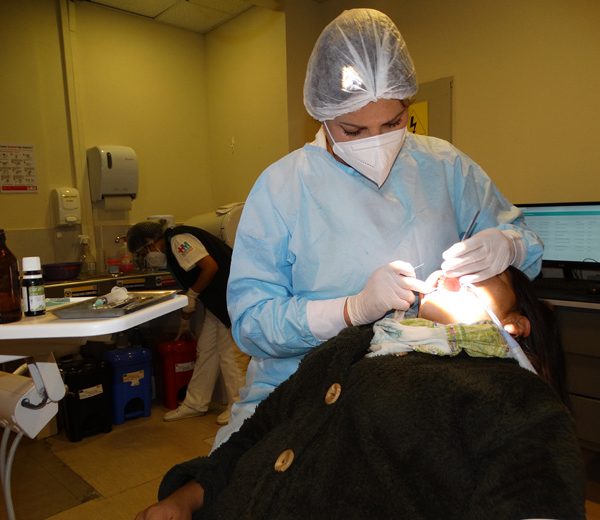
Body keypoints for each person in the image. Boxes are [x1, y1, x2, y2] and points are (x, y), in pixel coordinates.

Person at [217, 8, 544, 447]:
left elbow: (526, 249)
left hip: (421, 387)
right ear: (322, 116)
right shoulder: (282, 187)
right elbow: (253, 324)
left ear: (407, 105)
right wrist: (350, 310)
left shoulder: (445, 166)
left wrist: (508, 245)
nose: (375, 142)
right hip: (299, 391)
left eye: (392, 124)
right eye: (353, 130)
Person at [134, 266, 585, 519]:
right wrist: (184, 498)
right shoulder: (357, 343)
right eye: (450, 267)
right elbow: (258, 433)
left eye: (479, 273)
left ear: (514, 324)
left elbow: (537, 501)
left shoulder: (515, 396)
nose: (451, 273)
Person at [127, 221, 244, 425]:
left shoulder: (178, 240)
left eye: (144, 253)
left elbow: (210, 267)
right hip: (218, 301)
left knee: (229, 355)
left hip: (229, 297)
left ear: (150, 242)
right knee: (206, 350)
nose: (146, 257)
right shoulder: (174, 246)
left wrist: (192, 295)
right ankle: (195, 403)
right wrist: (187, 316)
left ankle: (238, 408)